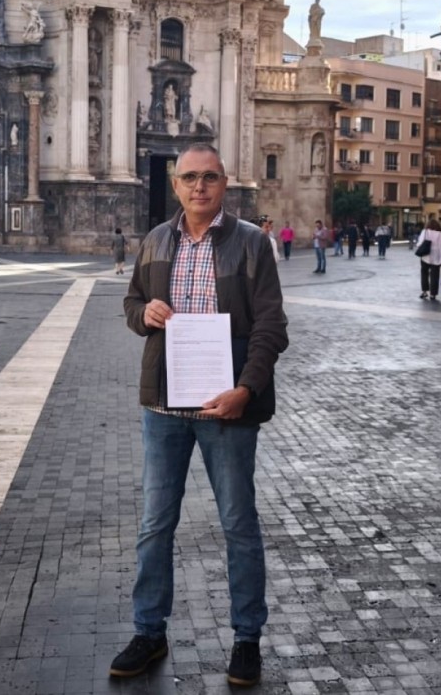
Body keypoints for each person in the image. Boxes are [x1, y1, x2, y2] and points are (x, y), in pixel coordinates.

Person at [115, 144, 288, 687]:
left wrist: (245, 389)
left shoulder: (252, 243)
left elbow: (271, 328)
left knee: (238, 524)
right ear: (175, 184)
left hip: (226, 408)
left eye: (209, 177)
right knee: (154, 525)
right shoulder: (155, 241)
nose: (199, 187)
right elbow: (131, 304)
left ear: (224, 181)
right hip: (164, 407)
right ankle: (149, 630)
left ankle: (245, 639)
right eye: (189, 177)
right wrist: (144, 313)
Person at [413, 217, 441, 301]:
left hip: (426, 256)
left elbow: (419, 243)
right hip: (437, 257)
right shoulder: (440, 234)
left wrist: (419, 246)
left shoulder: (425, 232)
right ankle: (433, 294)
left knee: (424, 273)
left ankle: (424, 291)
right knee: (435, 275)